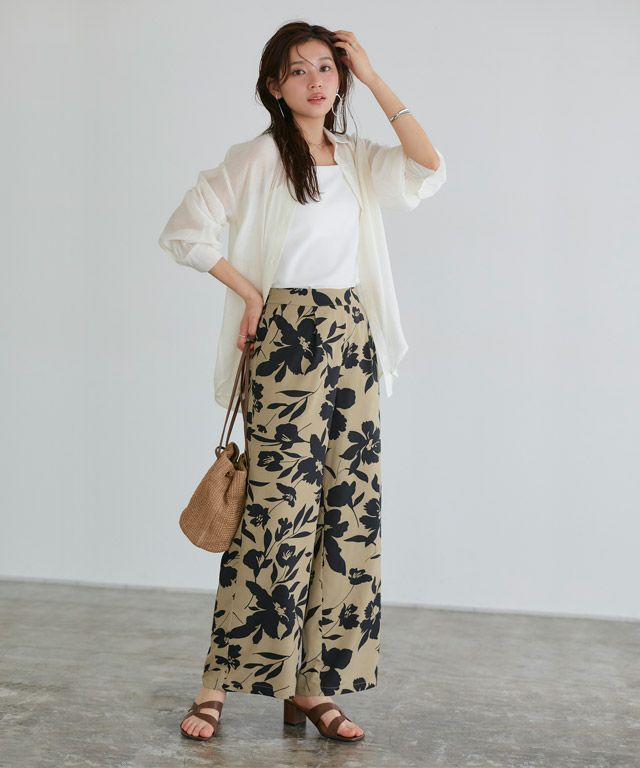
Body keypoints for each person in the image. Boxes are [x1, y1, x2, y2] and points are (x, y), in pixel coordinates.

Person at [158, 21, 447, 744]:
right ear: (274, 86)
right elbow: (186, 230)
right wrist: (250, 294)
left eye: (327, 67)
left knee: (347, 514)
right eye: (298, 70)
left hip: (353, 336)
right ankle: (216, 683)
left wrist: (373, 76)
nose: (316, 80)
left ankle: (311, 688)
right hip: (287, 338)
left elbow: (428, 166)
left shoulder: (356, 157)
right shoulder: (257, 157)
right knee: (274, 511)